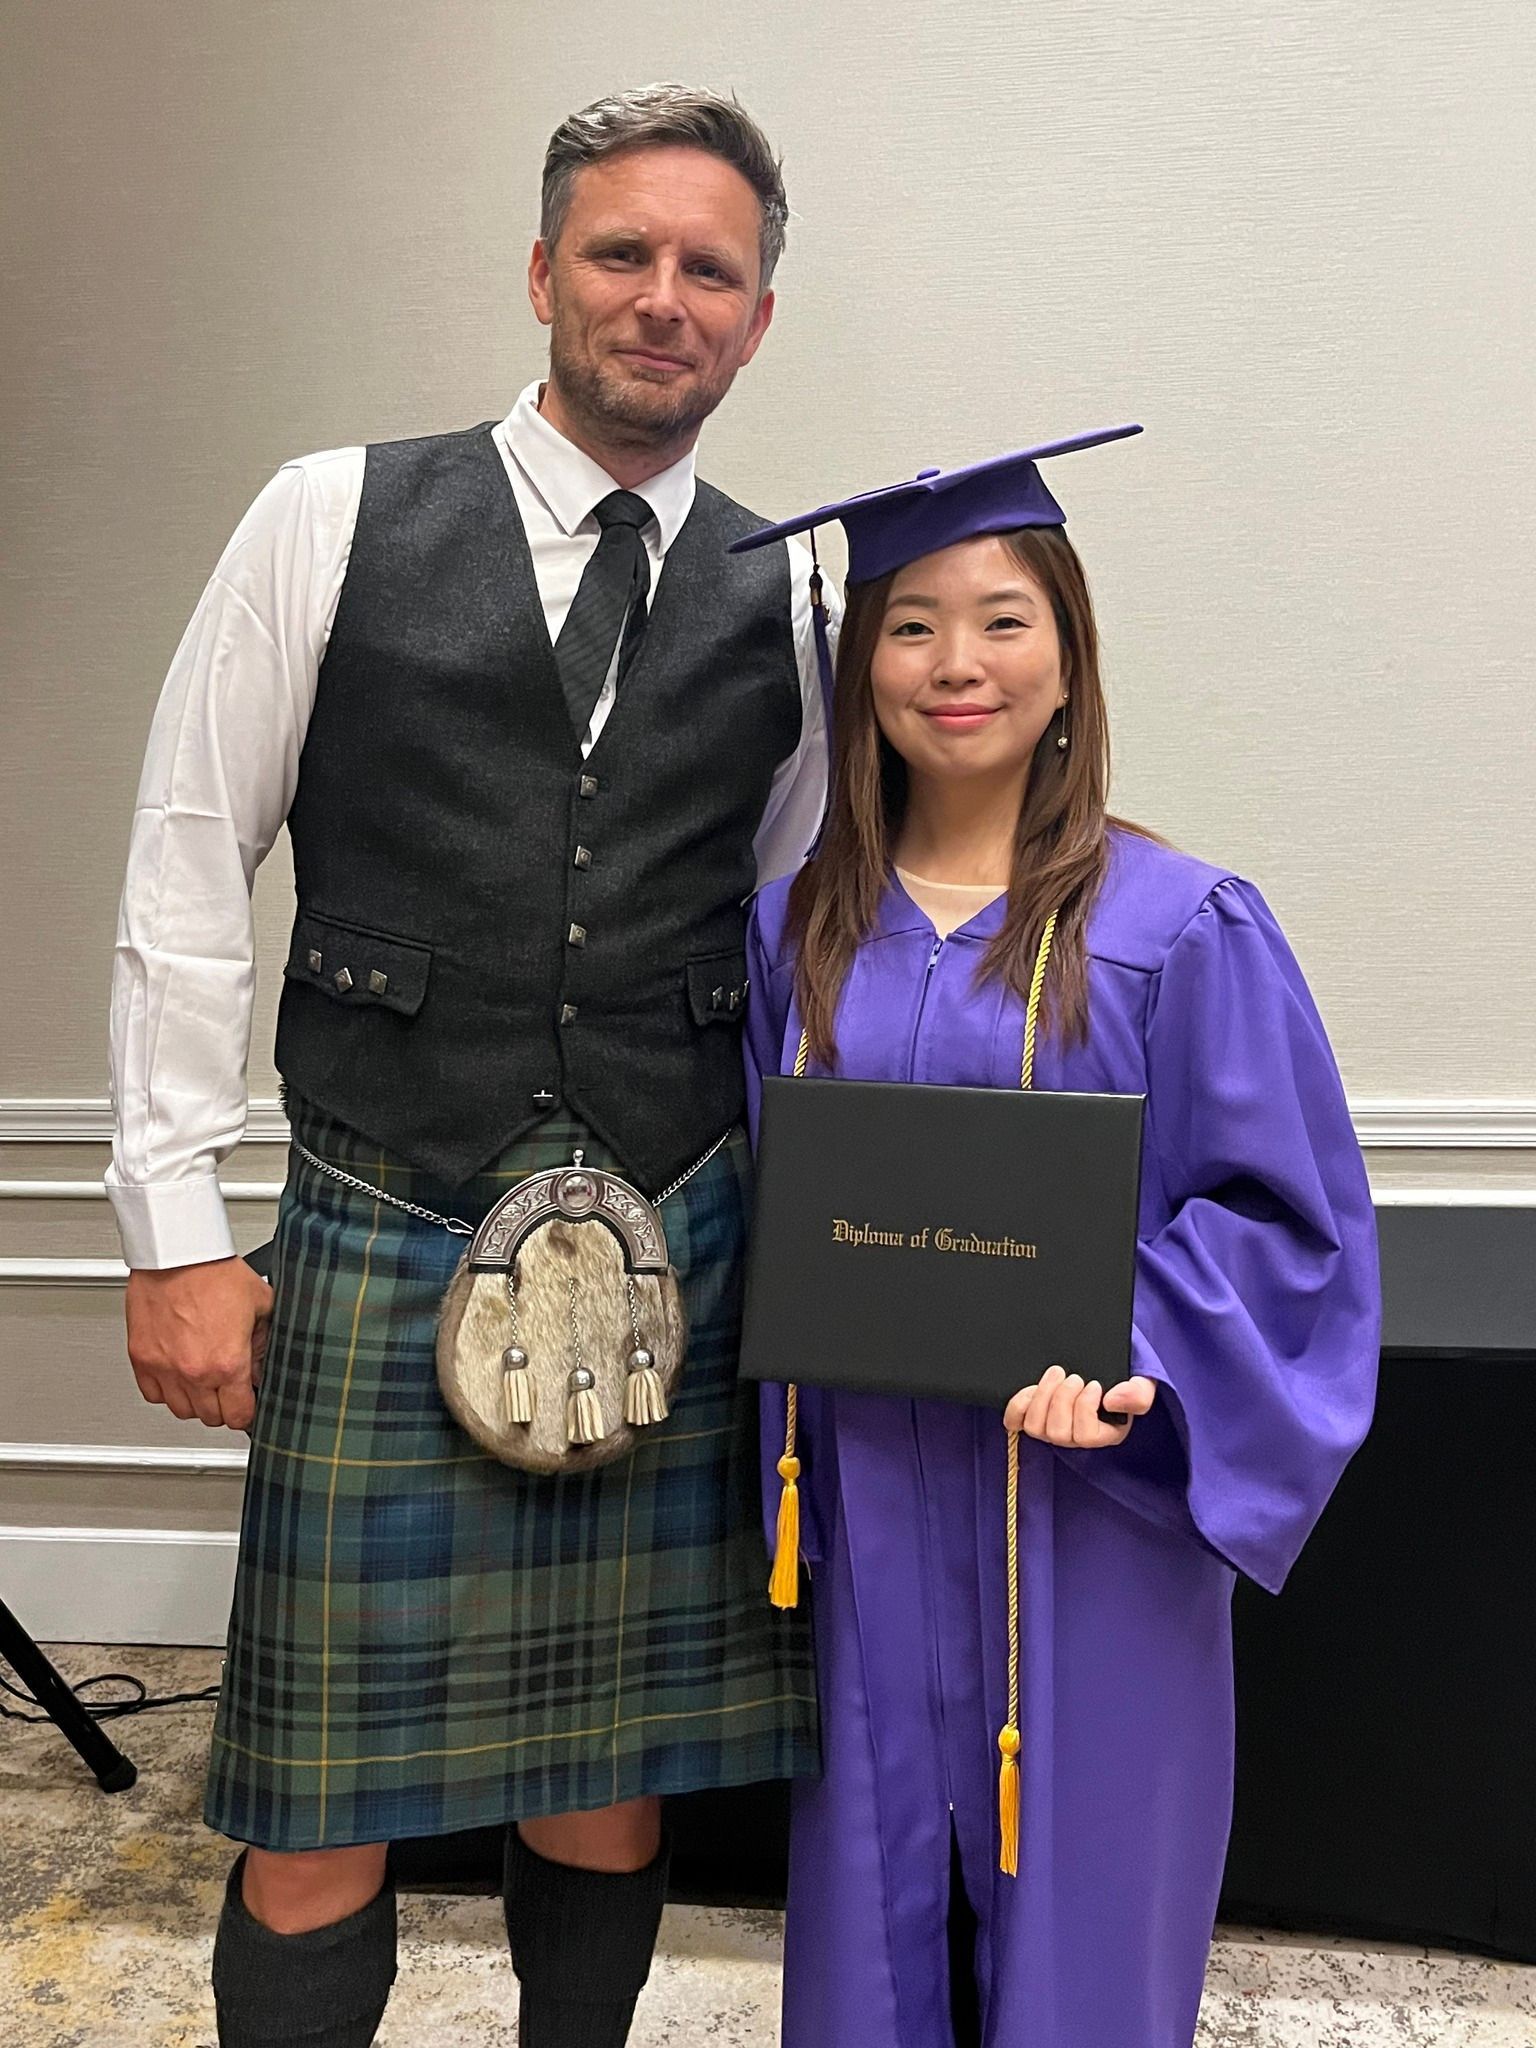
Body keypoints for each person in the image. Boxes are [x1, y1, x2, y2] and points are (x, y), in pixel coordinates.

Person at [107, 85, 830, 2048]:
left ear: (762, 315)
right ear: (539, 272)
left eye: (711, 268)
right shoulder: (329, 513)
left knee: (609, 1773)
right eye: (621, 252)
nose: (662, 296)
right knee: (316, 1802)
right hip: (380, 1211)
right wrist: (175, 1225)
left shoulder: (795, 597)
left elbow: (788, 950)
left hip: (670, 1243)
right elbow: (189, 858)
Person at [737, 429, 1381, 2047]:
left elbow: (1291, 1230)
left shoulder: (1185, 925)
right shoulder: (796, 924)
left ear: (1072, 658)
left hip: (1087, 1520)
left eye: (1004, 617)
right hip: (872, 1520)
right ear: (860, 665)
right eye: (910, 624)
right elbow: (777, 1197)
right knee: (864, 1950)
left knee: (1089, 1949)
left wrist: (1132, 1357)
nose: (959, 664)